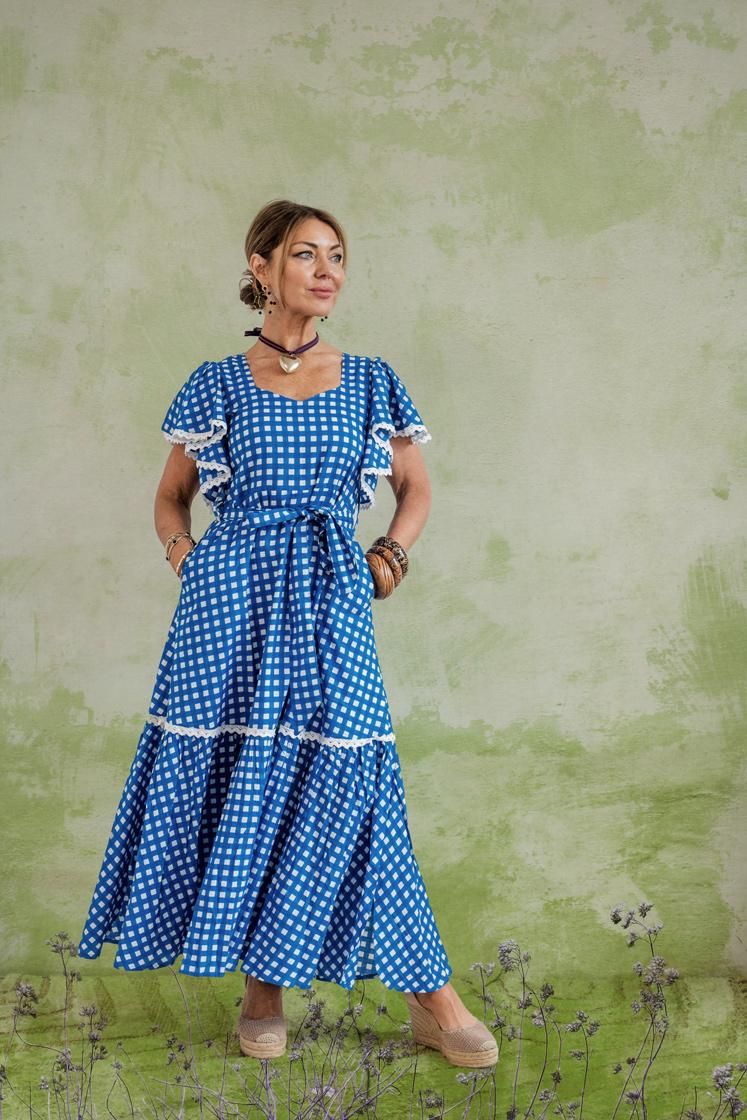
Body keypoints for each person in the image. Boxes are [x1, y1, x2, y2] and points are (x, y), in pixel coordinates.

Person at [77, 199, 497, 1069]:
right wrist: (187, 559)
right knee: (245, 776)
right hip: (227, 604)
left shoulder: (371, 379)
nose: (326, 270)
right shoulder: (217, 383)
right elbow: (171, 496)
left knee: (352, 781)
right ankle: (261, 991)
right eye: (305, 254)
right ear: (261, 268)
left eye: (337, 255)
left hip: (330, 593)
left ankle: (433, 998)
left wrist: (388, 557)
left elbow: (416, 488)